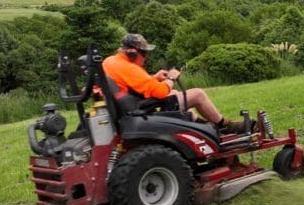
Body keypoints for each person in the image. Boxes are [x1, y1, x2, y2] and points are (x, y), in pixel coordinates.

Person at [102, 33, 247, 134]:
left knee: (175, 94)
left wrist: (155, 77)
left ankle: (203, 127)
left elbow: (132, 85)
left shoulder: (110, 61)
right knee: (198, 94)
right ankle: (224, 126)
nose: (145, 57)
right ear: (132, 52)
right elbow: (160, 92)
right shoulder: (129, 67)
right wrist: (171, 78)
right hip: (141, 110)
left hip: (129, 106)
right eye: (144, 53)